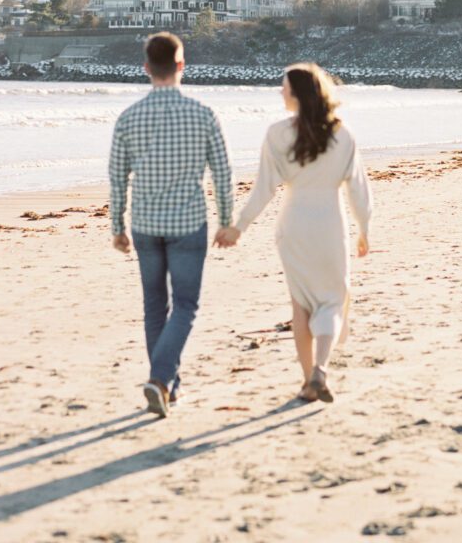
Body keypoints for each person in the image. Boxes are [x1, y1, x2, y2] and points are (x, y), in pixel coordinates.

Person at [218, 63, 373, 403]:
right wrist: (364, 228)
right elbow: (358, 189)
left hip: (294, 227)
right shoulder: (343, 134)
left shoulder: (277, 134)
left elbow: (264, 189)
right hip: (330, 225)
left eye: (284, 87)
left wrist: (239, 226)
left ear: (298, 94)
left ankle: (307, 381)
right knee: (332, 300)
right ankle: (320, 370)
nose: (280, 92)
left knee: (300, 305)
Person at [109, 31, 235, 418]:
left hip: (146, 224)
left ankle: (167, 386)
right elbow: (223, 173)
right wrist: (226, 220)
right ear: (182, 65)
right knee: (185, 305)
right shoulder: (203, 114)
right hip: (188, 223)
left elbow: (117, 178)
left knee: (154, 308)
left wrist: (117, 226)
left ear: (146, 68)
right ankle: (162, 381)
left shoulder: (128, 117)